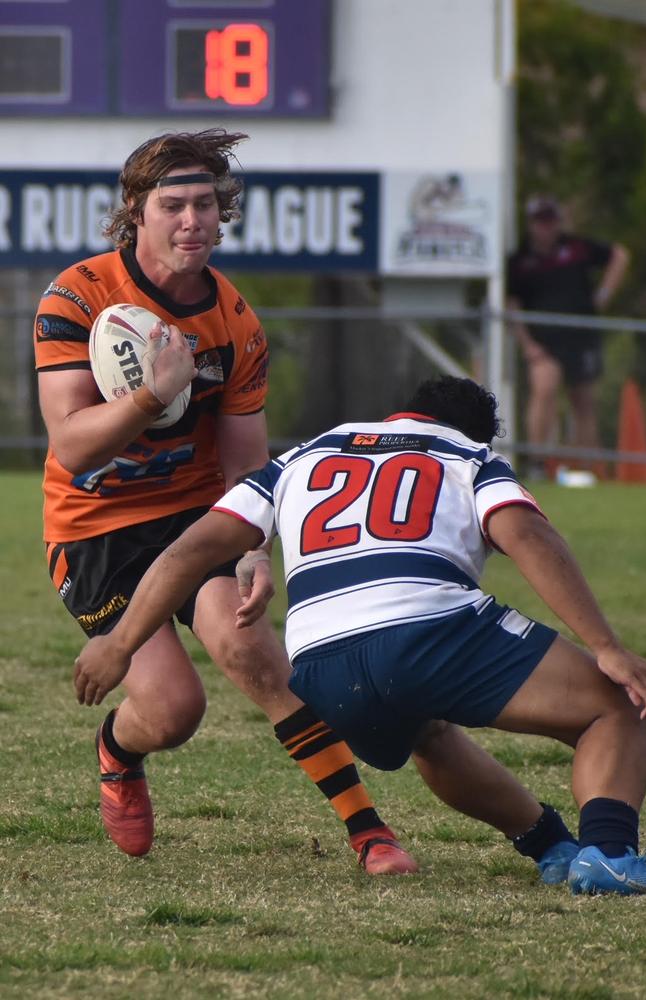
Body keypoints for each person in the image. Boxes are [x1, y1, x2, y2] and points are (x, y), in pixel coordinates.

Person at [34, 128, 575, 881]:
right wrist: (153, 394)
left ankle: (369, 835)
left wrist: (254, 551)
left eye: (207, 205)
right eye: (173, 205)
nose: (193, 220)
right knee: (172, 711)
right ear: (136, 211)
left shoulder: (236, 324)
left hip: (196, 515)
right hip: (97, 529)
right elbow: (73, 445)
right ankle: (119, 750)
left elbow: (246, 461)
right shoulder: (79, 296)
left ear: (224, 214)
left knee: (256, 651)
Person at [74, 374, 646, 895]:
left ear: (398, 415)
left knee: (429, 732)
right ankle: (611, 853)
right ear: (477, 434)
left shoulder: (306, 453)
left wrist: (119, 644)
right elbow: (528, 538)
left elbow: (189, 550)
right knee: (619, 706)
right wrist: (607, 648)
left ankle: (550, 845)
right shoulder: (469, 454)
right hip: (427, 632)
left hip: (321, 672)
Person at [507, 195, 629, 479]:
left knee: (584, 401)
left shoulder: (577, 248)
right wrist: (527, 344)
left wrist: (603, 296)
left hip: (580, 338)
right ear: (531, 223)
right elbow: (512, 304)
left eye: (550, 220)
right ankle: (537, 463)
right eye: (540, 221)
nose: (545, 228)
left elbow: (619, 256)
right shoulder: (520, 261)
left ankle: (587, 468)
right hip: (543, 340)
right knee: (544, 389)